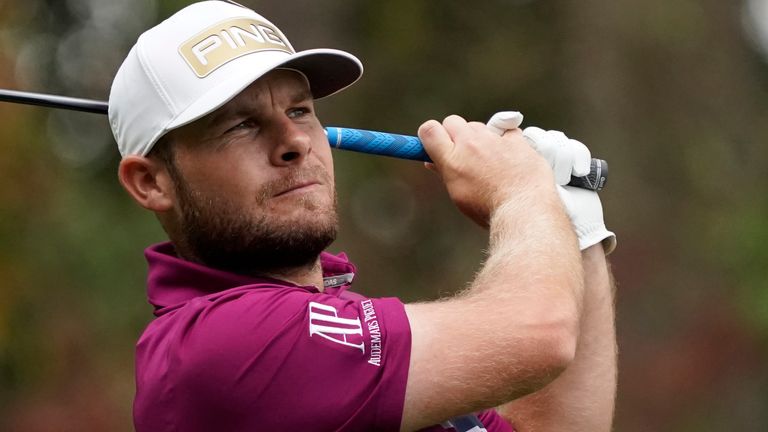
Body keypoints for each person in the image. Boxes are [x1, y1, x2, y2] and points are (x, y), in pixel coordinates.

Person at [110, 1, 617, 431]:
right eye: (240, 125)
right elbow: (540, 335)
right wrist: (522, 192)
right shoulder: (216, 347)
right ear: (152, 182)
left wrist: (575, 229)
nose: (292, 141)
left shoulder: (338, 329)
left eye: (300, 110)